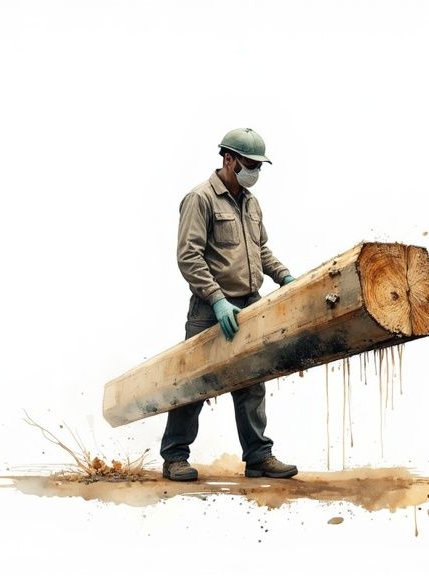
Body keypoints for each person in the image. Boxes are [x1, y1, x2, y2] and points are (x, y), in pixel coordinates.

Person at [160, 127, 299, 482]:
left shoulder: (251, 202)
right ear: (228, 159)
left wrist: (284, 277)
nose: (254, 172)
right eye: (249, 164)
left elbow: (260, 249)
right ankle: (175, 457)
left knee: (252, 379)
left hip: (250, 303)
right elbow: (188, 256)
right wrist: (217, 299)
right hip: (210, 309)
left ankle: (258, 457)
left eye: (258, 166)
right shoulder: (200, 199)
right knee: (192, 382)